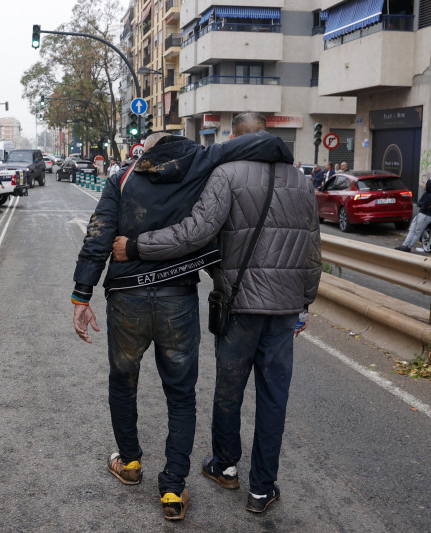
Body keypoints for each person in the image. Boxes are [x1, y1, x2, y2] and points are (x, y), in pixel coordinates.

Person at [71, 126, 294, 521]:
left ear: (145, 151)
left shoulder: (121, 178)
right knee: (181, 394)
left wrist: (82, 295)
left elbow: (98, 236)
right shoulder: (198, 163)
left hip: (127, 299)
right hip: (177, 299)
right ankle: (173, 489)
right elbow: (265, 143)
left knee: (123, 381)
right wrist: (281, 148)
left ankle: (130, 462)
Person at [111, 112, 322, 515]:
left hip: (239, 303)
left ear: (235, 138)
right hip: (284, 308)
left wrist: (138, 246)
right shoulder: (303, 180)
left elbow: (195, 232)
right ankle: (262, 489)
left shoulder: (226, 175)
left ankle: (225, 466)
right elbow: (313, 249)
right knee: (274, 397)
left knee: (229, 389)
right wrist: (304, 302)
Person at [395, 179, 431, 252]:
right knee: (412, 230)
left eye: (425, 184)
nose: (424, 185)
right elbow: (419, 203)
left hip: (425, 215)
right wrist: (425, 205)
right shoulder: (426, 193)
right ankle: (404, 245)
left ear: (429, 186)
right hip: (421, 214)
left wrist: (424, 205)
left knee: (417, 232)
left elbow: (424, 205)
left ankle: (408, 246)